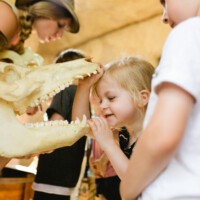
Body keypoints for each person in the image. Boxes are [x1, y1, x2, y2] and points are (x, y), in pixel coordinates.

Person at [120, 1, 200, 200]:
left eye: (166, 2)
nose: (164, 16)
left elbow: (162, 136)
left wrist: (127, 190)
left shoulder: (189, 32)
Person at [0, 0, 79, 170]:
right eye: (60, 25)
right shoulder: (6, 15)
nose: (60, 35)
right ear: (47, 10)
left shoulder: (20, 36)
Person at [72, 56, 154, 199]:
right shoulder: (123, 133)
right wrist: (84, 87)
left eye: (111, 98)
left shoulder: (152, 134)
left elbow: (133, 181)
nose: (102, 106)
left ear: (143, 98)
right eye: (101, 100)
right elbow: (81, 126)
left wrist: (109, 145)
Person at [32, 49, 87, 200]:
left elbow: (54, 127)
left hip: (52, 174)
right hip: (68, 176)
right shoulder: (83, 98)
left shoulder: (65, 90)